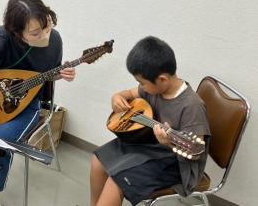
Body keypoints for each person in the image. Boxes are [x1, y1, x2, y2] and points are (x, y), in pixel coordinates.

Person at [0, 0, 76, 206]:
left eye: (47, 25)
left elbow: (46, 74)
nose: (45, 35)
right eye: (35, 32)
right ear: (17, 33)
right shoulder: (0, 36)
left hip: (25, 107)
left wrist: (61, 74)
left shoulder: (55, 39)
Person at [90, 36, 211, 206]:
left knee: (117, 180)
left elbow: (195, 153)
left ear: (162, 79)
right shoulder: (154, 88)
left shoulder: (191, 106)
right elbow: (130, 94)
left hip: (175, 164)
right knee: (98, 161)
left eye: (142, 83)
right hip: (149, 145)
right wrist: (117, 97)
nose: (141, 87)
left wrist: (170, 143)